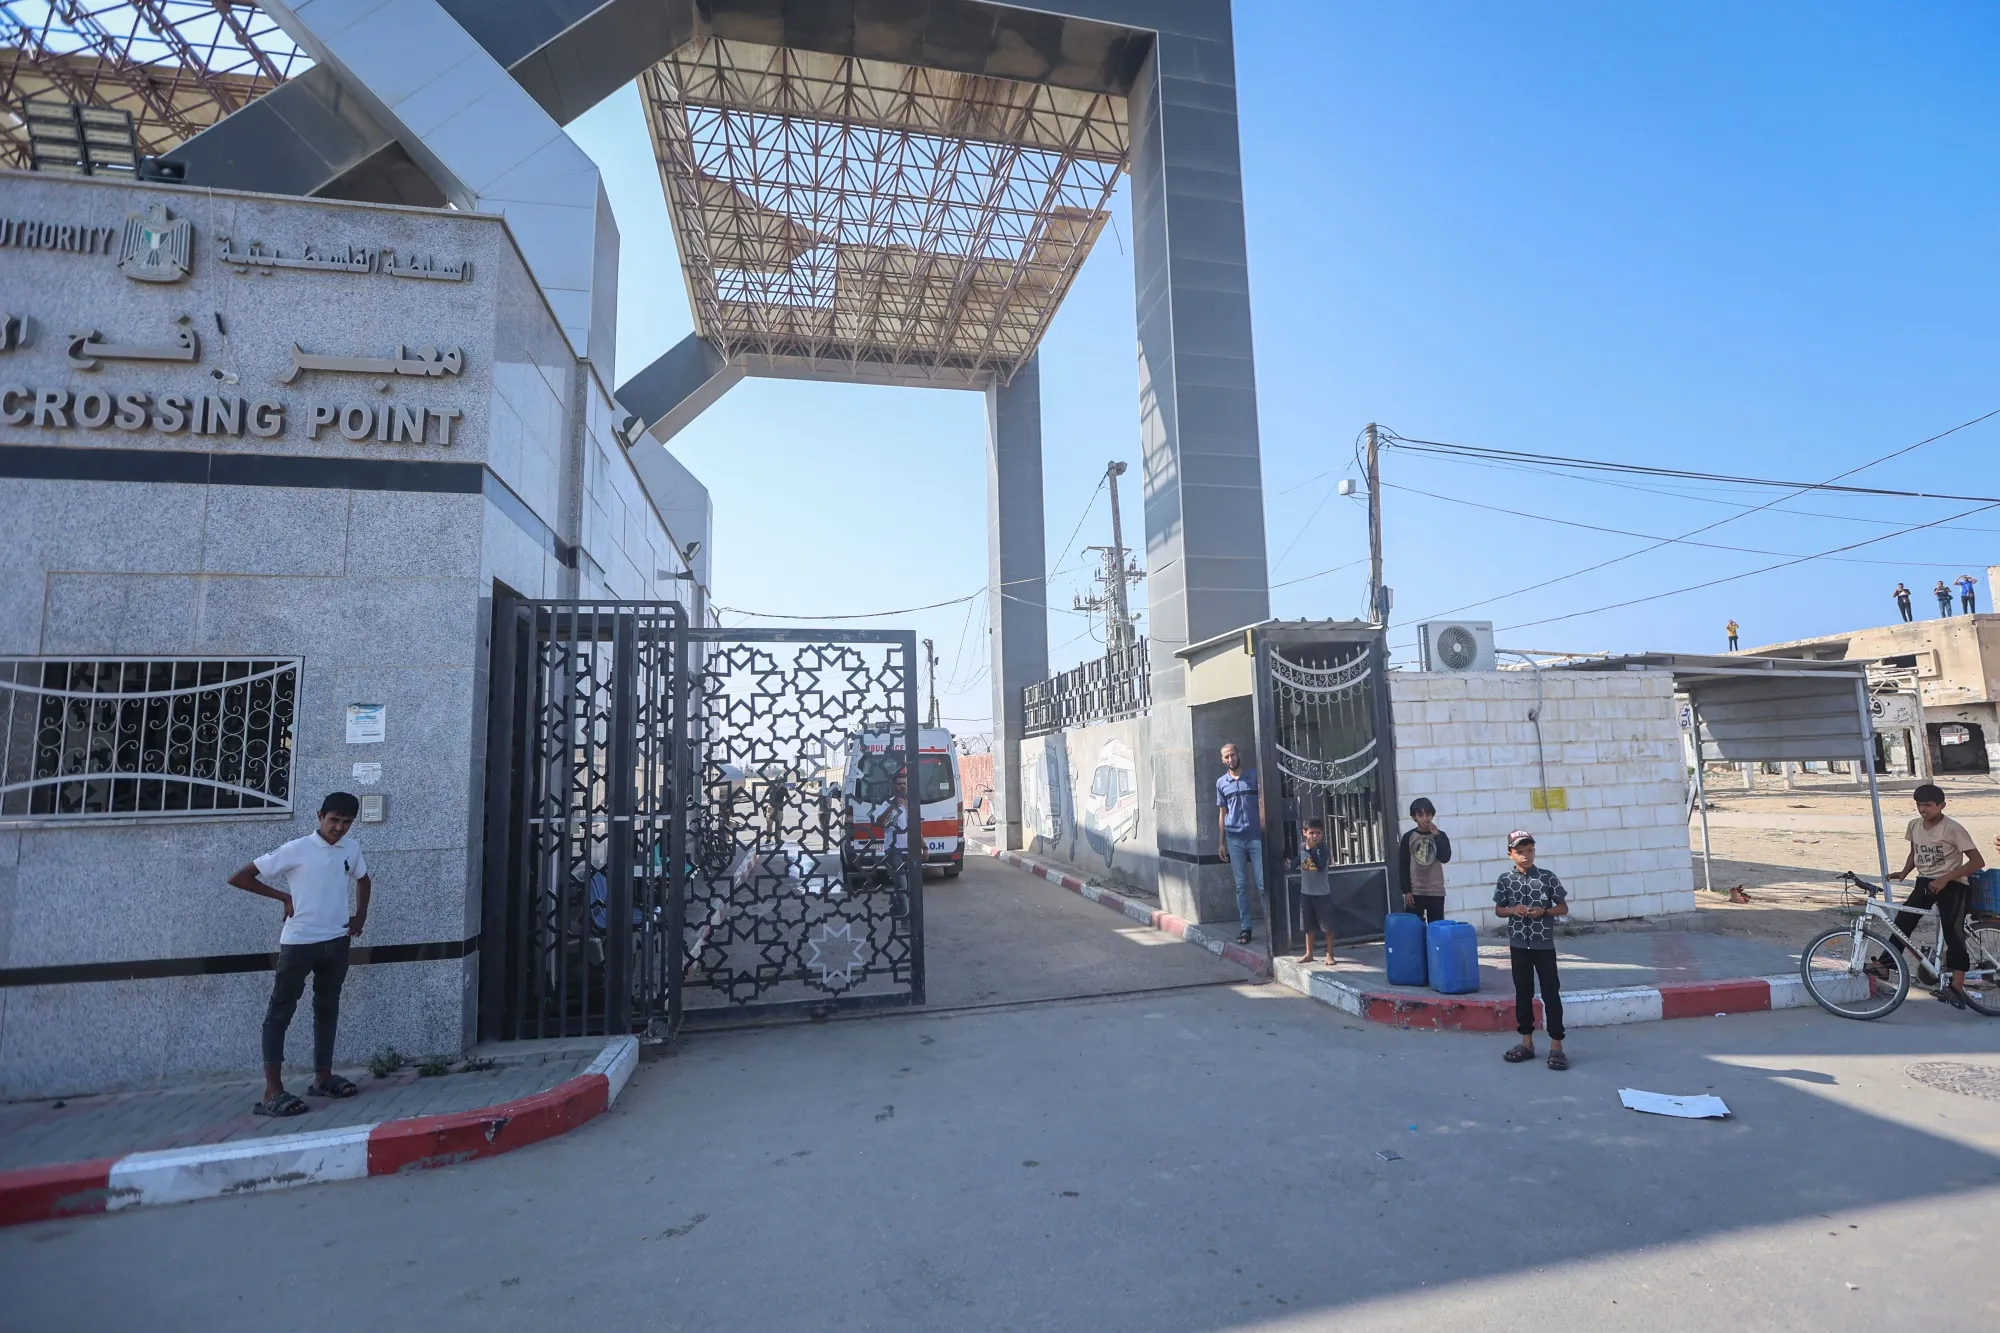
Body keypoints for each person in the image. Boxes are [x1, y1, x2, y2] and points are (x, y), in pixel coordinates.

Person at [227, 792, 371, 1117]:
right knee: (280, 1012)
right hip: (299, 944)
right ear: (319, 816)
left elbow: (363, 880)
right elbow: (240, 877)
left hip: (336, 941)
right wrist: (284, 898)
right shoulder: (297, 849)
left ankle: (323, 1076)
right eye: (334, 820)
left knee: (327, 1007)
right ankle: (271, 1092)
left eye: (346, 822)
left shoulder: (352, 848)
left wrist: (359, 916)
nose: (339, 828)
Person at [1880, 783, 1983, 1007]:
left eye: (1927, 805)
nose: (1922, 809)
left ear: (1941, 805)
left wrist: (1945, 878)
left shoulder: (1952, 828)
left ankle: (1956, 987)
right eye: (1918, 805)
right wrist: (1904, 872)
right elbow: (1914, 852)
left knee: (1952, 932)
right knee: (1902, 921)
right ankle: (1885, 965)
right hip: (1925, 882)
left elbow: (1977, 861)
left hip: (1953, 883)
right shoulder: (1914, 825)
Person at [1494, 830, 1569, 1070]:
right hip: (1518, 945)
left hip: (1543, 945)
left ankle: (1556, 1046)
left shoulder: (1547, 878)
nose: (1526, 856)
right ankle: (1527, 1043)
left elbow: (1562, 907)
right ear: (1510, 854)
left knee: (1550, 993)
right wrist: (1513, 910)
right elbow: (1499, 909)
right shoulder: (1505, 880)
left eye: (1530, 850)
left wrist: (1544, 911)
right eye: (1520, 852)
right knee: (1523, 993)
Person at [1215, 742, 1263, 946]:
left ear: (1238, 754)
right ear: (1222, 760)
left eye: (1232, 755)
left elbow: (1264, 804)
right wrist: (1221, 842)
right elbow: (1222, 813)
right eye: (1226, 757)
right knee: (1241, 885)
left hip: (1256, 837)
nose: (1230, 759)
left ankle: (1272, 926)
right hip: (1234, 838)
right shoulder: (1221, 783)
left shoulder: (1254, 777)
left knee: (1262, 884)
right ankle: (1246, 928)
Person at [1397, 797, 1452, 923]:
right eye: (1421, 815)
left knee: (1435, 927)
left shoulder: (1440, 835)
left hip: (1436, 890)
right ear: (1414, 817)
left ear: (1432, 815)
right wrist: (1407, 891)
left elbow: (1445, 858)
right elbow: (1403, 865)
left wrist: (1437, 837)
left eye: (1428, 814)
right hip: (1416, 891)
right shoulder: (1409, 837)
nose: (1425, 818)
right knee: (1414, 927)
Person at [1292, 818, 1338, 964]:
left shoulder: (1323, 849)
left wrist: (1312, 850)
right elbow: (1297, 861)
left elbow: (1320, 865)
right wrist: (1290, 863)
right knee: (1309, 926)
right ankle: (1309, 953)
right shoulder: (1301, 847)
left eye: (1318, 833)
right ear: (1304, 832)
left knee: (1327, 926)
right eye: (1311, 833)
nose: (1315, 836)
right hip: (1306, 893)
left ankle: (1330, 954)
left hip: (1322, 894)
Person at [877, 769, 911, 918]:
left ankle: (895, 908)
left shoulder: (910, 805)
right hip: (893, 851)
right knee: (902, 886)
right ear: (893, 786)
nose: (902, 786)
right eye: (899, 784)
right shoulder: (887, 803)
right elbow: (880, 823)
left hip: (908, 850)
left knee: (902, 885)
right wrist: (892, 806)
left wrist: (923, 846)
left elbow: (915, 827)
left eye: (904, 783)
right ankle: (905, 920)